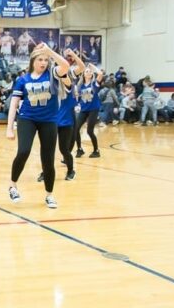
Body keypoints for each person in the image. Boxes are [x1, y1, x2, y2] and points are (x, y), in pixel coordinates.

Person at [6, 44, 70, 209]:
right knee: (24, 151)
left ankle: (49, 195)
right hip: (27, 119)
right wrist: (9, 128)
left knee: (48, 160)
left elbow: (65, 66)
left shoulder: (52, 74)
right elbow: (14, 104)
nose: (43, 62)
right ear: (33, 61)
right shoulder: (22, 80)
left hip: (49, 120)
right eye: (40, 59)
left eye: (46, 60)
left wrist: (49, 52)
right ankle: (13, 185)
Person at [39, 48, 84, 184]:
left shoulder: (67, 77)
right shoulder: (49, 77)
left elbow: (78, 67)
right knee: (47, 149)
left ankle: (71, 170)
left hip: (65, 120)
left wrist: (73, 54)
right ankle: (46, 171)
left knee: (64, 149)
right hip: (50, 120)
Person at [74, 64, 104, 158]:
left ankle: (96, 150)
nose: (89, 72)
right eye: (87, 71)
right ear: (83, 74)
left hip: (93, 109)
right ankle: (79, 149)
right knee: (76, 129)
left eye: (90, 71)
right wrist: (77, 105)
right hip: (83, 109)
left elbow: (100, 74)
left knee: (89, 131)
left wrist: (92, 67)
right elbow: (77, 99)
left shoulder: (94, 83)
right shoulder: (80, 86)